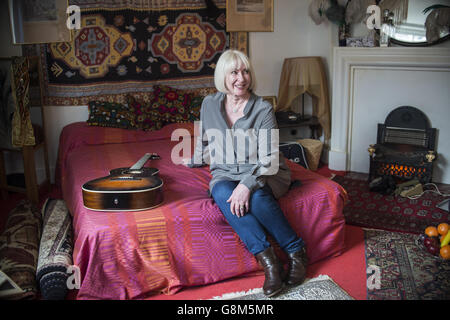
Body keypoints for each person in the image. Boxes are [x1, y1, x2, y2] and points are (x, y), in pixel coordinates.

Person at [183, 49, 307, 297]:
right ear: (223, 76)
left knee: (258, 197)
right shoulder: (209, 104)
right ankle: (269, 262)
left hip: (265, 170)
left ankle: (296, 251)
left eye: (245, 71)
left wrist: (246, 185)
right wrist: (195, 159)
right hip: (226, 172)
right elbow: (206, 139)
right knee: (220, 191)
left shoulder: (263, 109)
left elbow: (269, 159)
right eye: (234, 72)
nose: (241, 78)